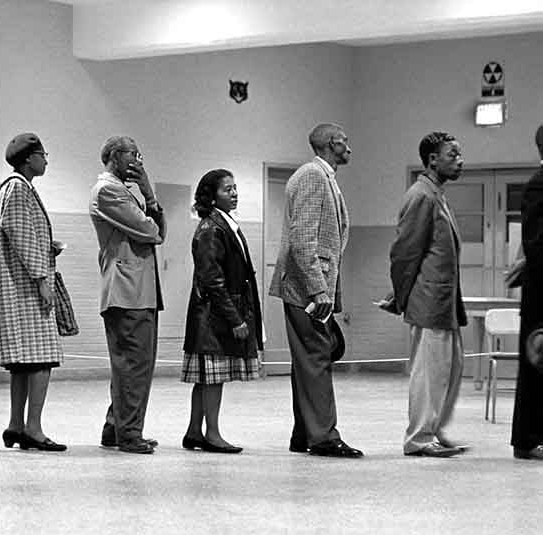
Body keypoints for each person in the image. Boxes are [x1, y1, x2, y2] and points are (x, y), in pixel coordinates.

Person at [268, 123, 362, 458]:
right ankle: (323, 437)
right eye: (345, 140)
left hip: (311, 286)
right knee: (317, 358)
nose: (349, 146)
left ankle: (304, 433)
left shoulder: (325, 177)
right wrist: (318, 290)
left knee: (310, 360)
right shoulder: (312, 176)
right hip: (306, 289)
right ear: (332, 143)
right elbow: (303, 238)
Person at [388, 132, 467, 458]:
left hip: (445, 301)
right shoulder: (422, 196)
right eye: (453, 154)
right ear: (433, 159)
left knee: (451, 368)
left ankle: (434, 429)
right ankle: (419, 438)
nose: (460, 160)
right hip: (429, 300)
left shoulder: (437, 194)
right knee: (429, 373)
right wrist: (401, 297)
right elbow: (404, 253)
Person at [89, 136, 165, 454]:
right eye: (134, 155)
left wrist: (148, 197)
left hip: (137, 290)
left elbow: (158, 229)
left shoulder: (122, 192)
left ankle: (115, 427)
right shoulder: (109, 190)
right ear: (115, 157)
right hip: (127, 290)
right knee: (133, 365)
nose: (138, 161)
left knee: (132, 365)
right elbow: (151, 232)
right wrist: (147, 192)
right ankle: (129, 433)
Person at [0, 133, 66, 452]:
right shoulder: (19, 188)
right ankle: (33, 428)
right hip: (25, 289)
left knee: (22, 362)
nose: (46, 160)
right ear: (28, 159)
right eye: (42, 154)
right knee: (41, 359)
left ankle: (16, 425)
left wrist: (46, 249)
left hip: (19, 285)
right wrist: (41, 278)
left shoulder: (15, 189)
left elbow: (21, 233)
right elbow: (21, 235)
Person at [181, 169, 262, 454]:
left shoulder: (224, 224)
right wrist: (235, 319)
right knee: (212, 378)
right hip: (212, 319)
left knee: (207, 379)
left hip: (213, 315)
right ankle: (212, 434)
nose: (234, 193)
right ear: (212, 195)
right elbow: (213, 280)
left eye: (235, 188)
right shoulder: (211, 229)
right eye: (227, 189)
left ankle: (194, 431)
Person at [512, 124, 543, 460]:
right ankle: (526, 440)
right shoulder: (538, 185)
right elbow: (536, 244)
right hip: (540, 295)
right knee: (535, 369)